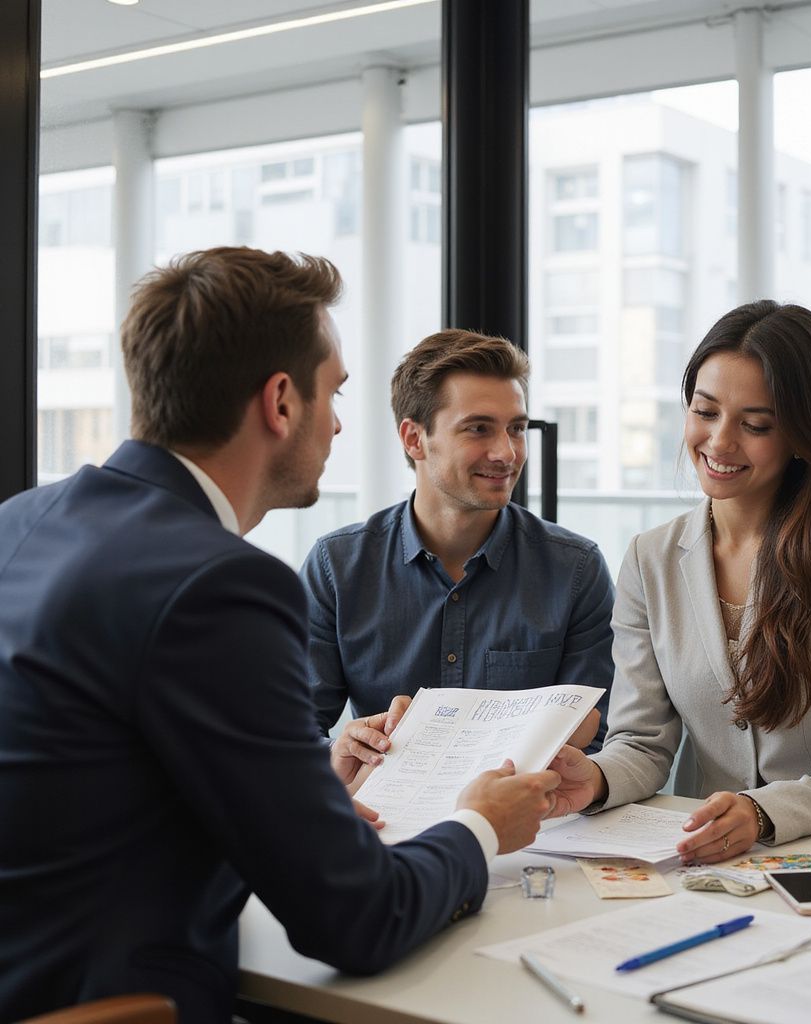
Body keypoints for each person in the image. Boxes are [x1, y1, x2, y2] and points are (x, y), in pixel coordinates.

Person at [0, 248, 563, 1024]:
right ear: (280, 402)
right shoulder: (218, 583)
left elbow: (96, 779)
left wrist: (300, 795)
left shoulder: (21, 521)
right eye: (332, 392)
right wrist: (478, 827)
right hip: (115, 999)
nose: (336, 422)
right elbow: (357, 920)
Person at [548, 300, 811, 859]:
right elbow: (642, 743)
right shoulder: (649, 558)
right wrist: (594, 778)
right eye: (705, 412)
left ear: (802, 435)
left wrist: (762, 812)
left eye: (755, 425)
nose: (720, 442)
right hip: (722, 855)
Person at [301, 328, 615, 787]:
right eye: (478, 428)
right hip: (383, 825)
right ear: (414, 439)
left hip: (531, 828)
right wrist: (341, 750)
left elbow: (593, 730)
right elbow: (294, 731)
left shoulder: (576, 569)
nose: (507, 452)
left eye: (517, 429)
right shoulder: (338, 566)